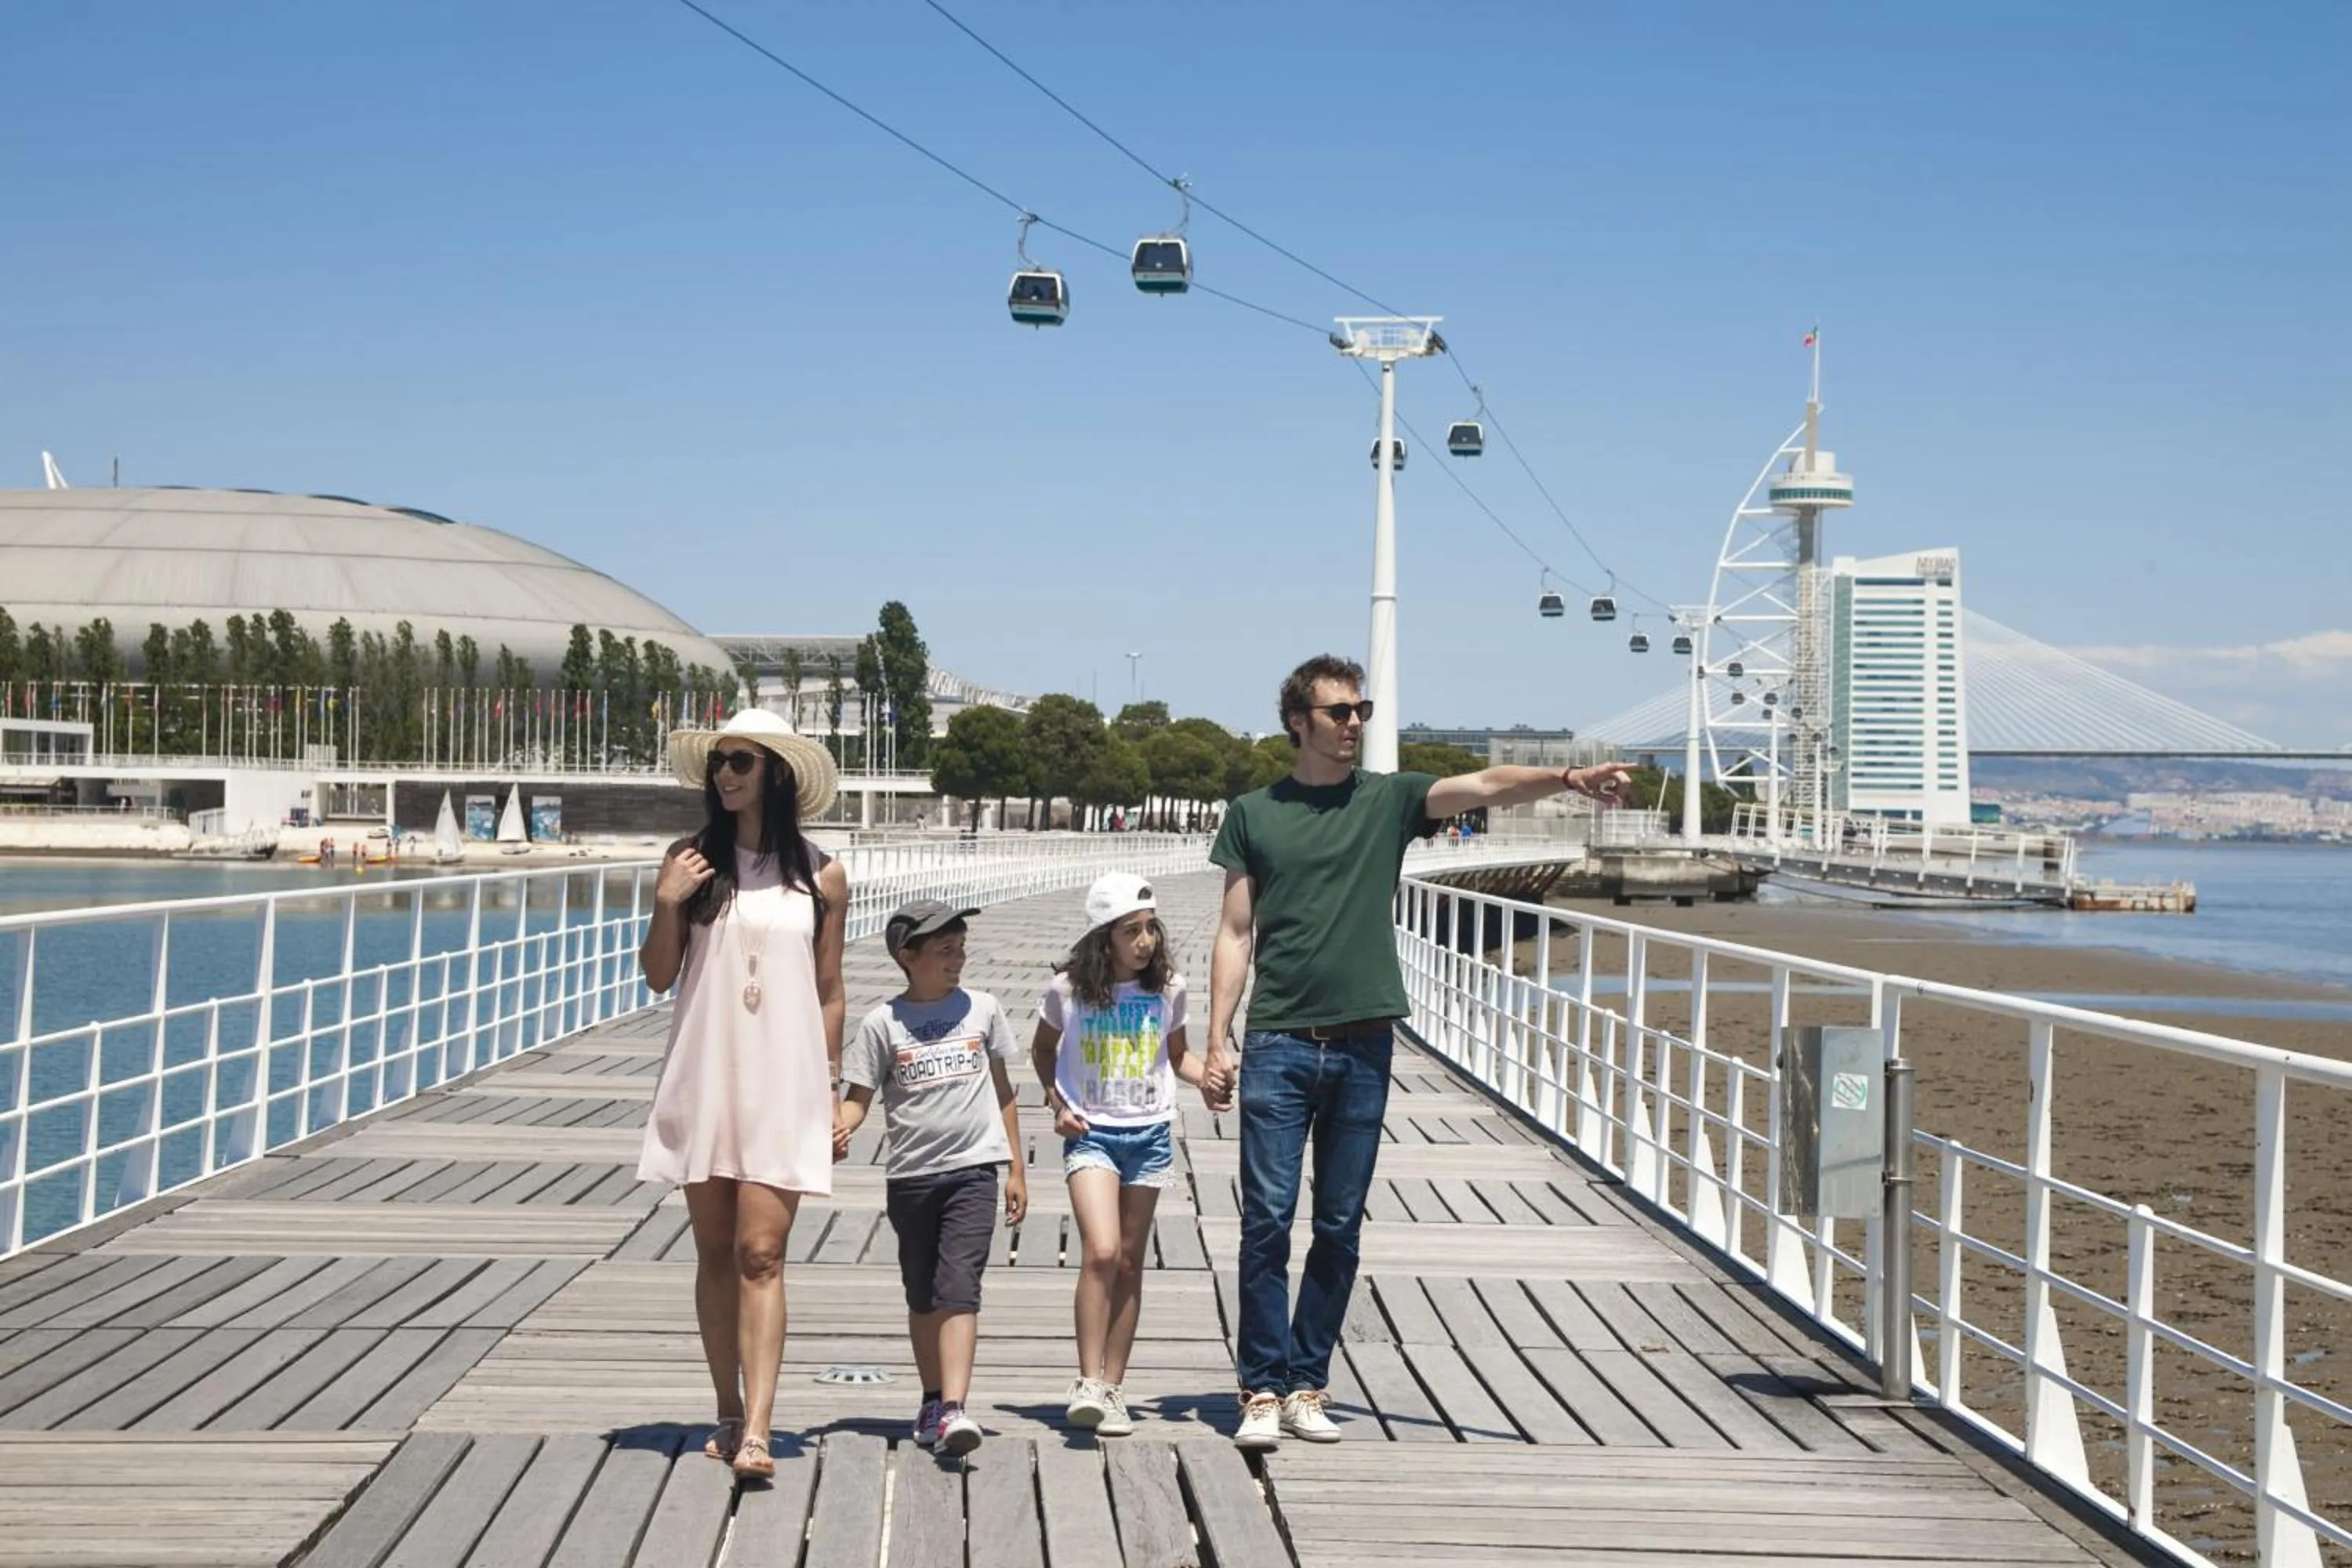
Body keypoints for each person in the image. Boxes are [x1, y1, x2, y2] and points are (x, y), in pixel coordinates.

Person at [1201, 654, 1632, 1450]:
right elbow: (1234, 932)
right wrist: (1216, 1038)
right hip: (1278, 1040)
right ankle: (1260, 1388)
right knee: (1266, 1222)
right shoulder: (1254, 813)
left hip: (1365, 1042)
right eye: (1338, 711)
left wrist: (1570, 778)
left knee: (1339, 1225)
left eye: (1360, 709)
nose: (1354, 723)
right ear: (1298, 721)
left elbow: (1488, 786)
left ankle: (1305, 1383)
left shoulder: (1390, 799)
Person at [637, 709, 848, 1481]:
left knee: (763, 1250)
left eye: (740, 762)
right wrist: (668, 899)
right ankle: (727, 1408)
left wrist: (832, 1087)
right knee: (716, 1250)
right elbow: (658, 975)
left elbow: (830, 989)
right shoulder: (688, 860)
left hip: (785, 1079)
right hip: (708, 1071)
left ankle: (758, 1426)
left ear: (776, 773)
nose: (724, 774)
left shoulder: (824, 874)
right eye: (717, 762)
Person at [836, 900, 1029, 1457]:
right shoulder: (882, 1024)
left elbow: (1004, 1092)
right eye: (945, 950)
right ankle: (931, 1397)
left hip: (974, 1170)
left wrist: (1015, 1168)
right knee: (922, 1296)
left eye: (961, 948)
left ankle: (954, 1409)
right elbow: (858, 1100)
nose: (957, 959)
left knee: (959, 1288)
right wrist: (838, 1128)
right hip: (912, 1177)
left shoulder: (983, 1009)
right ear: (907, 956)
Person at [1030, 873, 1206, 1436]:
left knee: (1130, 1261)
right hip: (1092, 1133)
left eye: (1150, 927)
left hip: (1149, 1134)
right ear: (1104, 935)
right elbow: (1043, 1050)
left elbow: (1177, 1057)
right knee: (1101, 1251)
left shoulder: (1169, 989)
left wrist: (1210, 1080)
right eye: (1131, 930)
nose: (1145, 940)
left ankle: (1113, 1387)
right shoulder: (1067, 990)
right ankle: (1087, 1381)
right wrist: (1057, 1102)